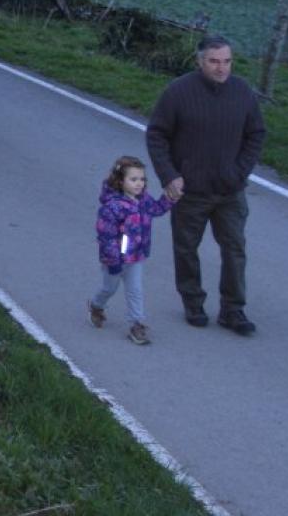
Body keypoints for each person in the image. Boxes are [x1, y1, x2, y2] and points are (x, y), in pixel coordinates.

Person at [145, 35, 267, 336]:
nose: (221, 68)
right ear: (199, 61)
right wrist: (170, 176)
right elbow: (157, 135)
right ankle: (193, 302)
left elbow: (256, 134)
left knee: (235, 249)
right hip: (190, 191)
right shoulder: (178, 92)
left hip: (230, 191)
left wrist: (240, 172)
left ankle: (233, 310)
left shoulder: (243, 93)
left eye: (226, 61)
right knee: (186, 248)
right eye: (214, 61)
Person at [88, 154, 176, 345]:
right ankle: (96, 305)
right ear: (120, 181)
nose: (139, 184)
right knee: (109, 288)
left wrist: (169, 198)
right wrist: (113, 261)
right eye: (133, 179)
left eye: (142, 179)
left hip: (136, 256)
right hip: (115, 259)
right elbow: (106, 236)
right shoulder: (112, 207)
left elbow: (157, 209)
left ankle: (137, 324)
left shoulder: (143, 200)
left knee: (135, 290)